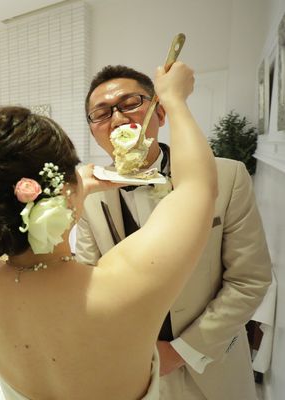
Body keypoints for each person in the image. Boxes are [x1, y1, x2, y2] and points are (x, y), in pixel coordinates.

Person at [0, 63, 219, 399]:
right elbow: (197, 187)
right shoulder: (119, 285)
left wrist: (72, 190)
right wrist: (174, 98)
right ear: (61, 189)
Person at [76, 65, 272, 400]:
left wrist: (183, 350)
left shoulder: (228, 177)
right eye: (102, 113)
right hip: (134, 368)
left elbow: (249, 280)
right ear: (94, 132)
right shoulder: (90, 196)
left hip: (214, 366)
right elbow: (88, 282)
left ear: (161, 112)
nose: (118, 118)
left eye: (130, 103)